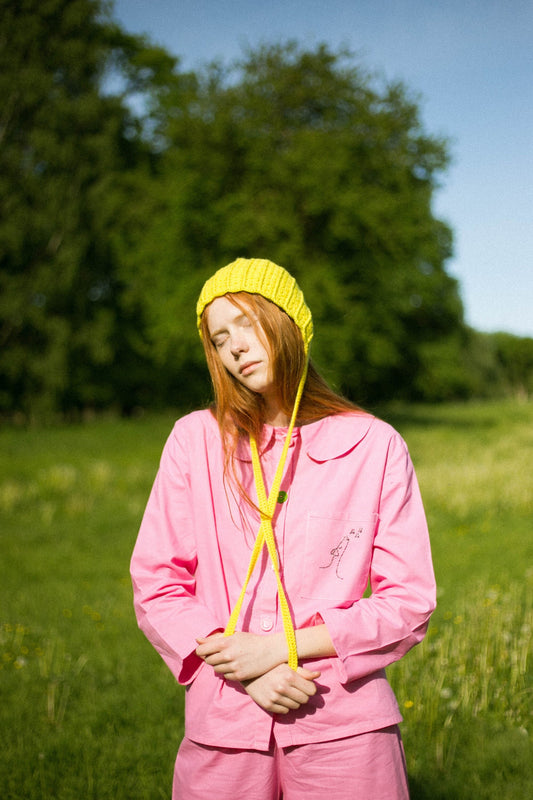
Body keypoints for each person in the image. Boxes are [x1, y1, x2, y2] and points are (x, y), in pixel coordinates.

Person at [130, 257, 436, 800]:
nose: (235, 348)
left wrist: (278, 649)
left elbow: (408, 601)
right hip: (223, 726)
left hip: (345, 727)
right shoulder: (194, 440)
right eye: (220, 339)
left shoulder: (375, 445)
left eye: (246, 324)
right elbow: (159, 582)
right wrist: (247, 671)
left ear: (289, 323)